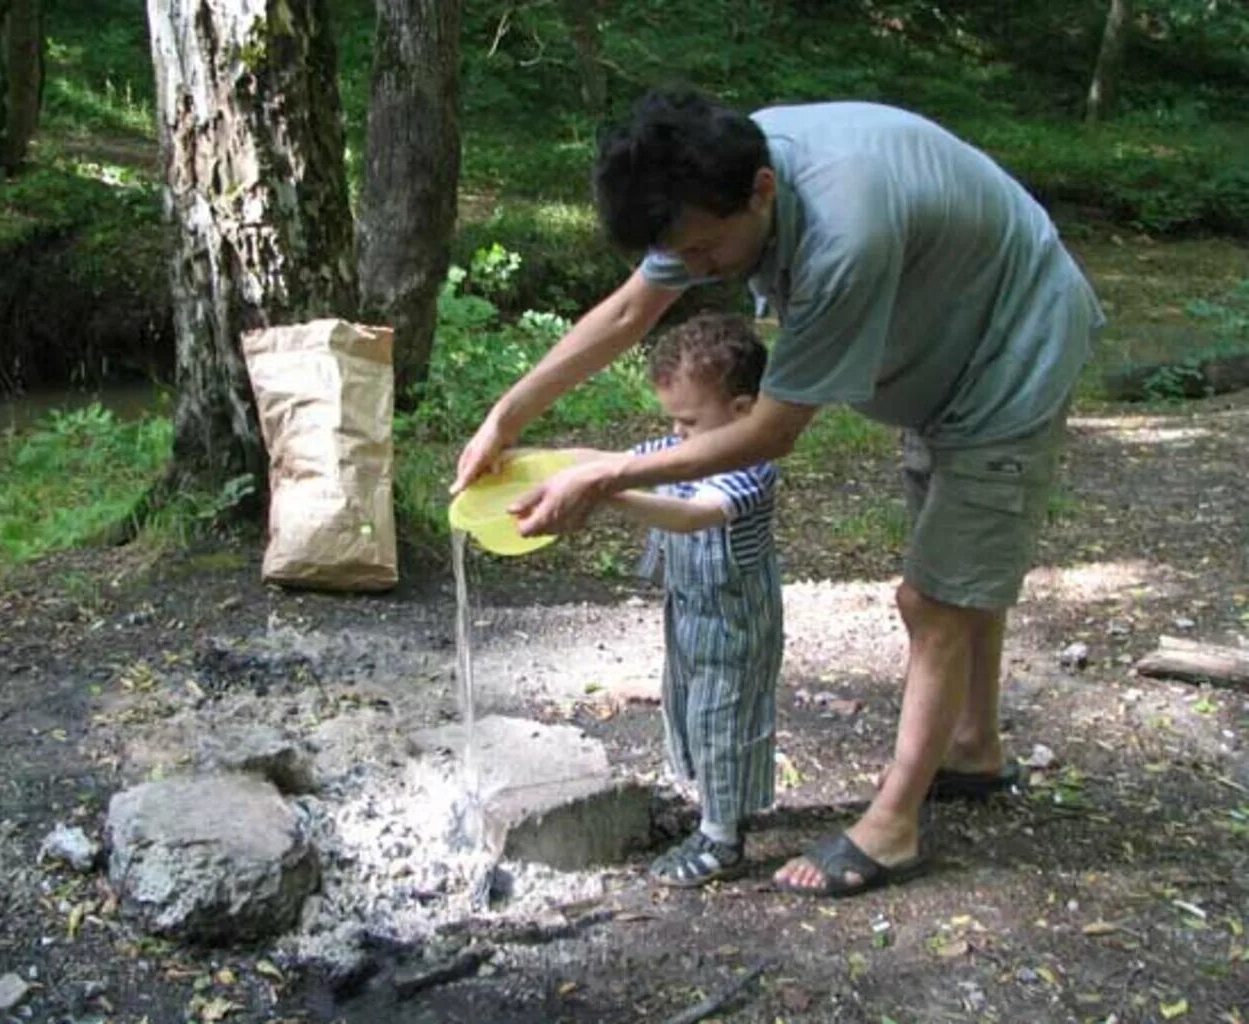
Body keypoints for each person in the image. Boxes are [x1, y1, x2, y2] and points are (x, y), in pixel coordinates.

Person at [452, 88, 1104, 897]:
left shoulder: (844, 233)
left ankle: (893, 827)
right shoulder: (709, 182)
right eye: (678, 257)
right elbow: (628, 310)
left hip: (1009, 350)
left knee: (933, 598)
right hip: (943, 344)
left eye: (702, 253)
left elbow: (767, 433)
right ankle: (971, 745)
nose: (693, 273)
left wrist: (605, 474)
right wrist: (506, 416)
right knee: (963, 565)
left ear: (762, 191)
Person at [591, 313, 782, 886]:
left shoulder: (752, 467)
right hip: (689, 615)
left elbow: (693, 513)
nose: (676, 437)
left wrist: (609, 490)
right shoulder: (683, 445)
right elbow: (621, 461)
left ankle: (723, 841)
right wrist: (540, 465)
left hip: (735, 624)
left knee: (723, 720)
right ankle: (715, 807)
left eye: (689, 423)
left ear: (743, 412)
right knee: (689, 710)